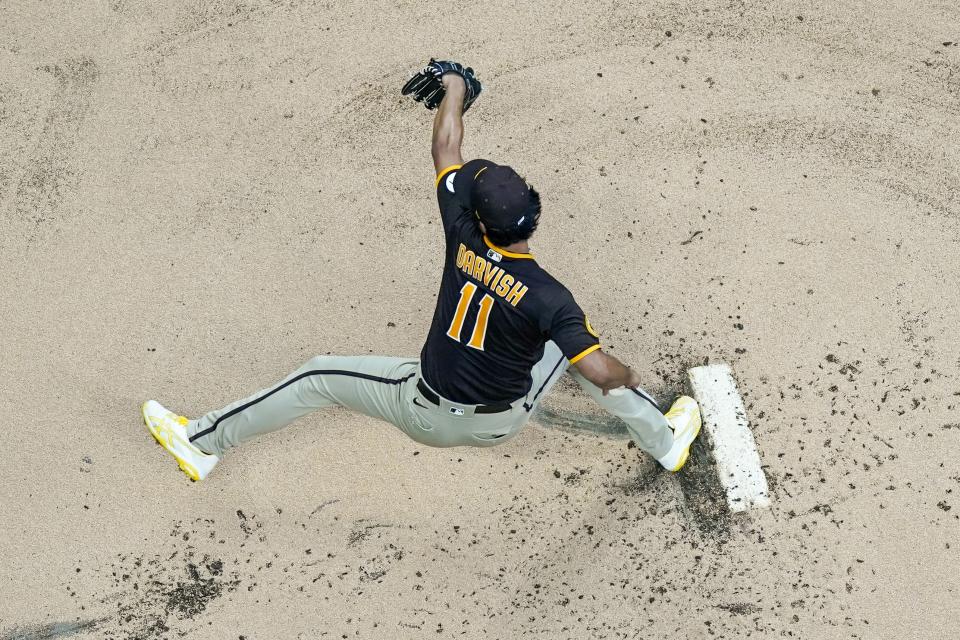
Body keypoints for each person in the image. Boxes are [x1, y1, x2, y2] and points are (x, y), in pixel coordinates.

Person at [141, 60, 701, 482]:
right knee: (582, 354)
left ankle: (201, 442)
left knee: (316, 377)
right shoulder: (551, 298)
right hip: (502, 422)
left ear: (480, 221)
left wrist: (455, 85)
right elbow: (604, 373)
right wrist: (626, 376)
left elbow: (446, 146)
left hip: (425, 412)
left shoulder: (461, 232)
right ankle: (665, 441)